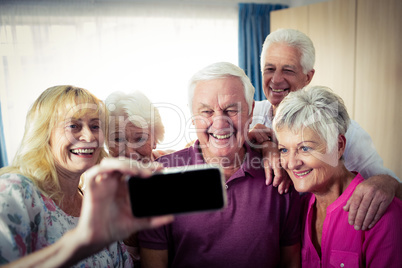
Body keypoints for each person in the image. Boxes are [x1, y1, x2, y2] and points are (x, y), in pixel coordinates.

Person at [138, 62, 301, 268]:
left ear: (251, 111)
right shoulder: (160, 176)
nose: (220, 122)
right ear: (193, 115)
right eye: (206, 112)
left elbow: (291, 261)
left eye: (231, 109)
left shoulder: (280, 176)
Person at [0, 85, 173, 267]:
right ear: (44, 133)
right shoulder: (14, 190)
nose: (89, 136)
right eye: (73, 126)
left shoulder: (96, 202)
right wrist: (80, 242)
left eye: (95, 126)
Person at [250, 28, 401, 231]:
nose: (276, 80)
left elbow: (390, 186)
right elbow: (200, 150)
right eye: (270, 69)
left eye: (288, 70)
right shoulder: (250, 116)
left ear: (308, 77)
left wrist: (386, 182)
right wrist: (251, 141)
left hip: (317, 230)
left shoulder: (343, 130)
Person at [272, 85, 402, 268]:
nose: (291, 163)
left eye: (305, 148)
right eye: (284, 149)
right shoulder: (298, 208)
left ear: (339, 146)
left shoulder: (382, 212)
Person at [106, 91, 170, 163]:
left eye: (140, 139)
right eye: (119, 139)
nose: (129, 152)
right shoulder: (96, 172)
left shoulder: (176, 165)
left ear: (154, 141)